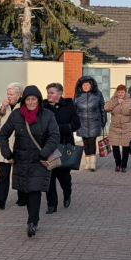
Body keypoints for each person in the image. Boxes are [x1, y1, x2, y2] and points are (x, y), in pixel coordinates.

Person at [0, 85, 59, 237]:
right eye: (28, 99)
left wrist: (44, 154)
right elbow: (3, 134)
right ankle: (33, 218)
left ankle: (32, 222)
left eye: (34, 99)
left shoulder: (47, 115)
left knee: (34, 190)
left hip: (39, 160)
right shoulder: (17, 115)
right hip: (21, 159)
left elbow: (54, 136)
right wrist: (7, 154)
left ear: (39, 100)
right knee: (26, 189)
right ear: (24, 100)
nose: (31, 102)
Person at [43, 82, 80, 213]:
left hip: (63, 145)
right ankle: (52, 204)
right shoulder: (44, 106)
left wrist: (59, 128)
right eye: (48, 93)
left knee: (64, 177)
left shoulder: (68, 106)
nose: (49, 95)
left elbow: (76, 124)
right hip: (47, 146)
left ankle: (67, 193)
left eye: (51, 93)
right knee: (49, 177)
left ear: (59, 94)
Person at [0, 81, 23, 210]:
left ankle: (23, 198)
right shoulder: (4, 105)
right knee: (3, 174)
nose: (9, 96)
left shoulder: (23, 106)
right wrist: (2, 109)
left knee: (20, 172)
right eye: (8, 94)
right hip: (5, 145)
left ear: (18, 95)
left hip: (19, 144)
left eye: (11, 94)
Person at [74, 76, 107, 170]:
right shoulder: (77, 95)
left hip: (94, 122)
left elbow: (102, 108)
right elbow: (74, 110)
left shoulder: (97, 94)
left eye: (87, 85)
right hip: (82, 122)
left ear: (91, 85)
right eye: (84, 85)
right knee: (85, 143)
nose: (85, 86)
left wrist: (103, 120)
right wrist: (74, 122)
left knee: (92, 141)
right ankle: (87, 162)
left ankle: (93, 163)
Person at [105, 84, 131, 173]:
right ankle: (117, 164)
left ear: (125, 92)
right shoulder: (113, 100)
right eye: (119, 92)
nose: (120, 94)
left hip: (127, 128)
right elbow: (106, 108)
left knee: (126, 147)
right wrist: (116, 102)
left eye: (122, 92)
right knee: (115, 147)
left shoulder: (130, 102)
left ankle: (124, 165)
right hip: (114, 128)